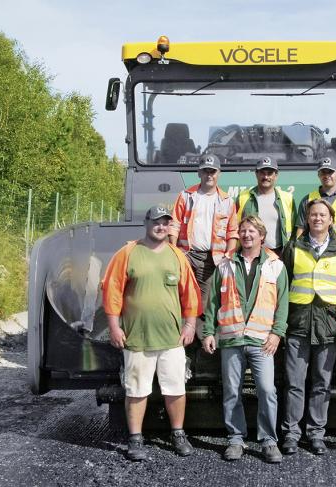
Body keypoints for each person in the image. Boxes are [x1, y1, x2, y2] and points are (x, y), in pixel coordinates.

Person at [102, 205, 202, 461]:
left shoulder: (177, 256)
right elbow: (112, 290)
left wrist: (190, 325)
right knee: (136, 390)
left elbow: (190, 294)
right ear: (146, 223)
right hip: (137, 338)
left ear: (170, 226)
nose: (160, 227)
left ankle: (178, 434)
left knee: (176, 388)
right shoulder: (128, 253)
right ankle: (135, 439)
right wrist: (114, 326)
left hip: (171, 339)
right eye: (156, 222)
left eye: (165, 223)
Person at [202, 215, 289, 464]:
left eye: (252, 231)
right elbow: (213, 302)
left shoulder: (275, 265)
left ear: (262, 236)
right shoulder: (225, 264)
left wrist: (277, 333)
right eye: (243, 231)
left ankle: (269, 441)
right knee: (232, 391)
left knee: (267, 390)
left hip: (262, 341)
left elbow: (282, 302)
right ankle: (236, 439)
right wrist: (208, 332)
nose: (247, 235)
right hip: (232, 339)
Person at [280, 198, 336, 456]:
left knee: (322, 383)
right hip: (297, 324)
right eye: (313, 215)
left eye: (322, 215)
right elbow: (282, 287)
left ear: (331, 220)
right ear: (307, 219)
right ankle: (291, 433)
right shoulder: (293, 247)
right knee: (294, 383)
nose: (317, 218)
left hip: (328, 326)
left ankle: (316, 434)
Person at [169, 153, 239, 319]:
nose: (209, 175)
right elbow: (174, 225)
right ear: (199, 173)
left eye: (212, 171)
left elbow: (232, 231)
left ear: (218, 173)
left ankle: (198, 335)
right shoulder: (186, 196)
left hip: (211, 260)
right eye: (205, 171)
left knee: (204, 304)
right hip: (186, 255)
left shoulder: (227, 201)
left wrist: (229, 254)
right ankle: (182, 333)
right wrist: (174, 251)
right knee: (180, 297)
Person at [236, 156, 296, 256]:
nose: (266, 177)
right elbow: (235, 227)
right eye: (262, 173)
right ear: (256, 174)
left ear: (276, 175)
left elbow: (295, 229)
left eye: (270, 173)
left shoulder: (287, 198)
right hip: (252, 254)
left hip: (280, 254)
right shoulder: (243, 197)